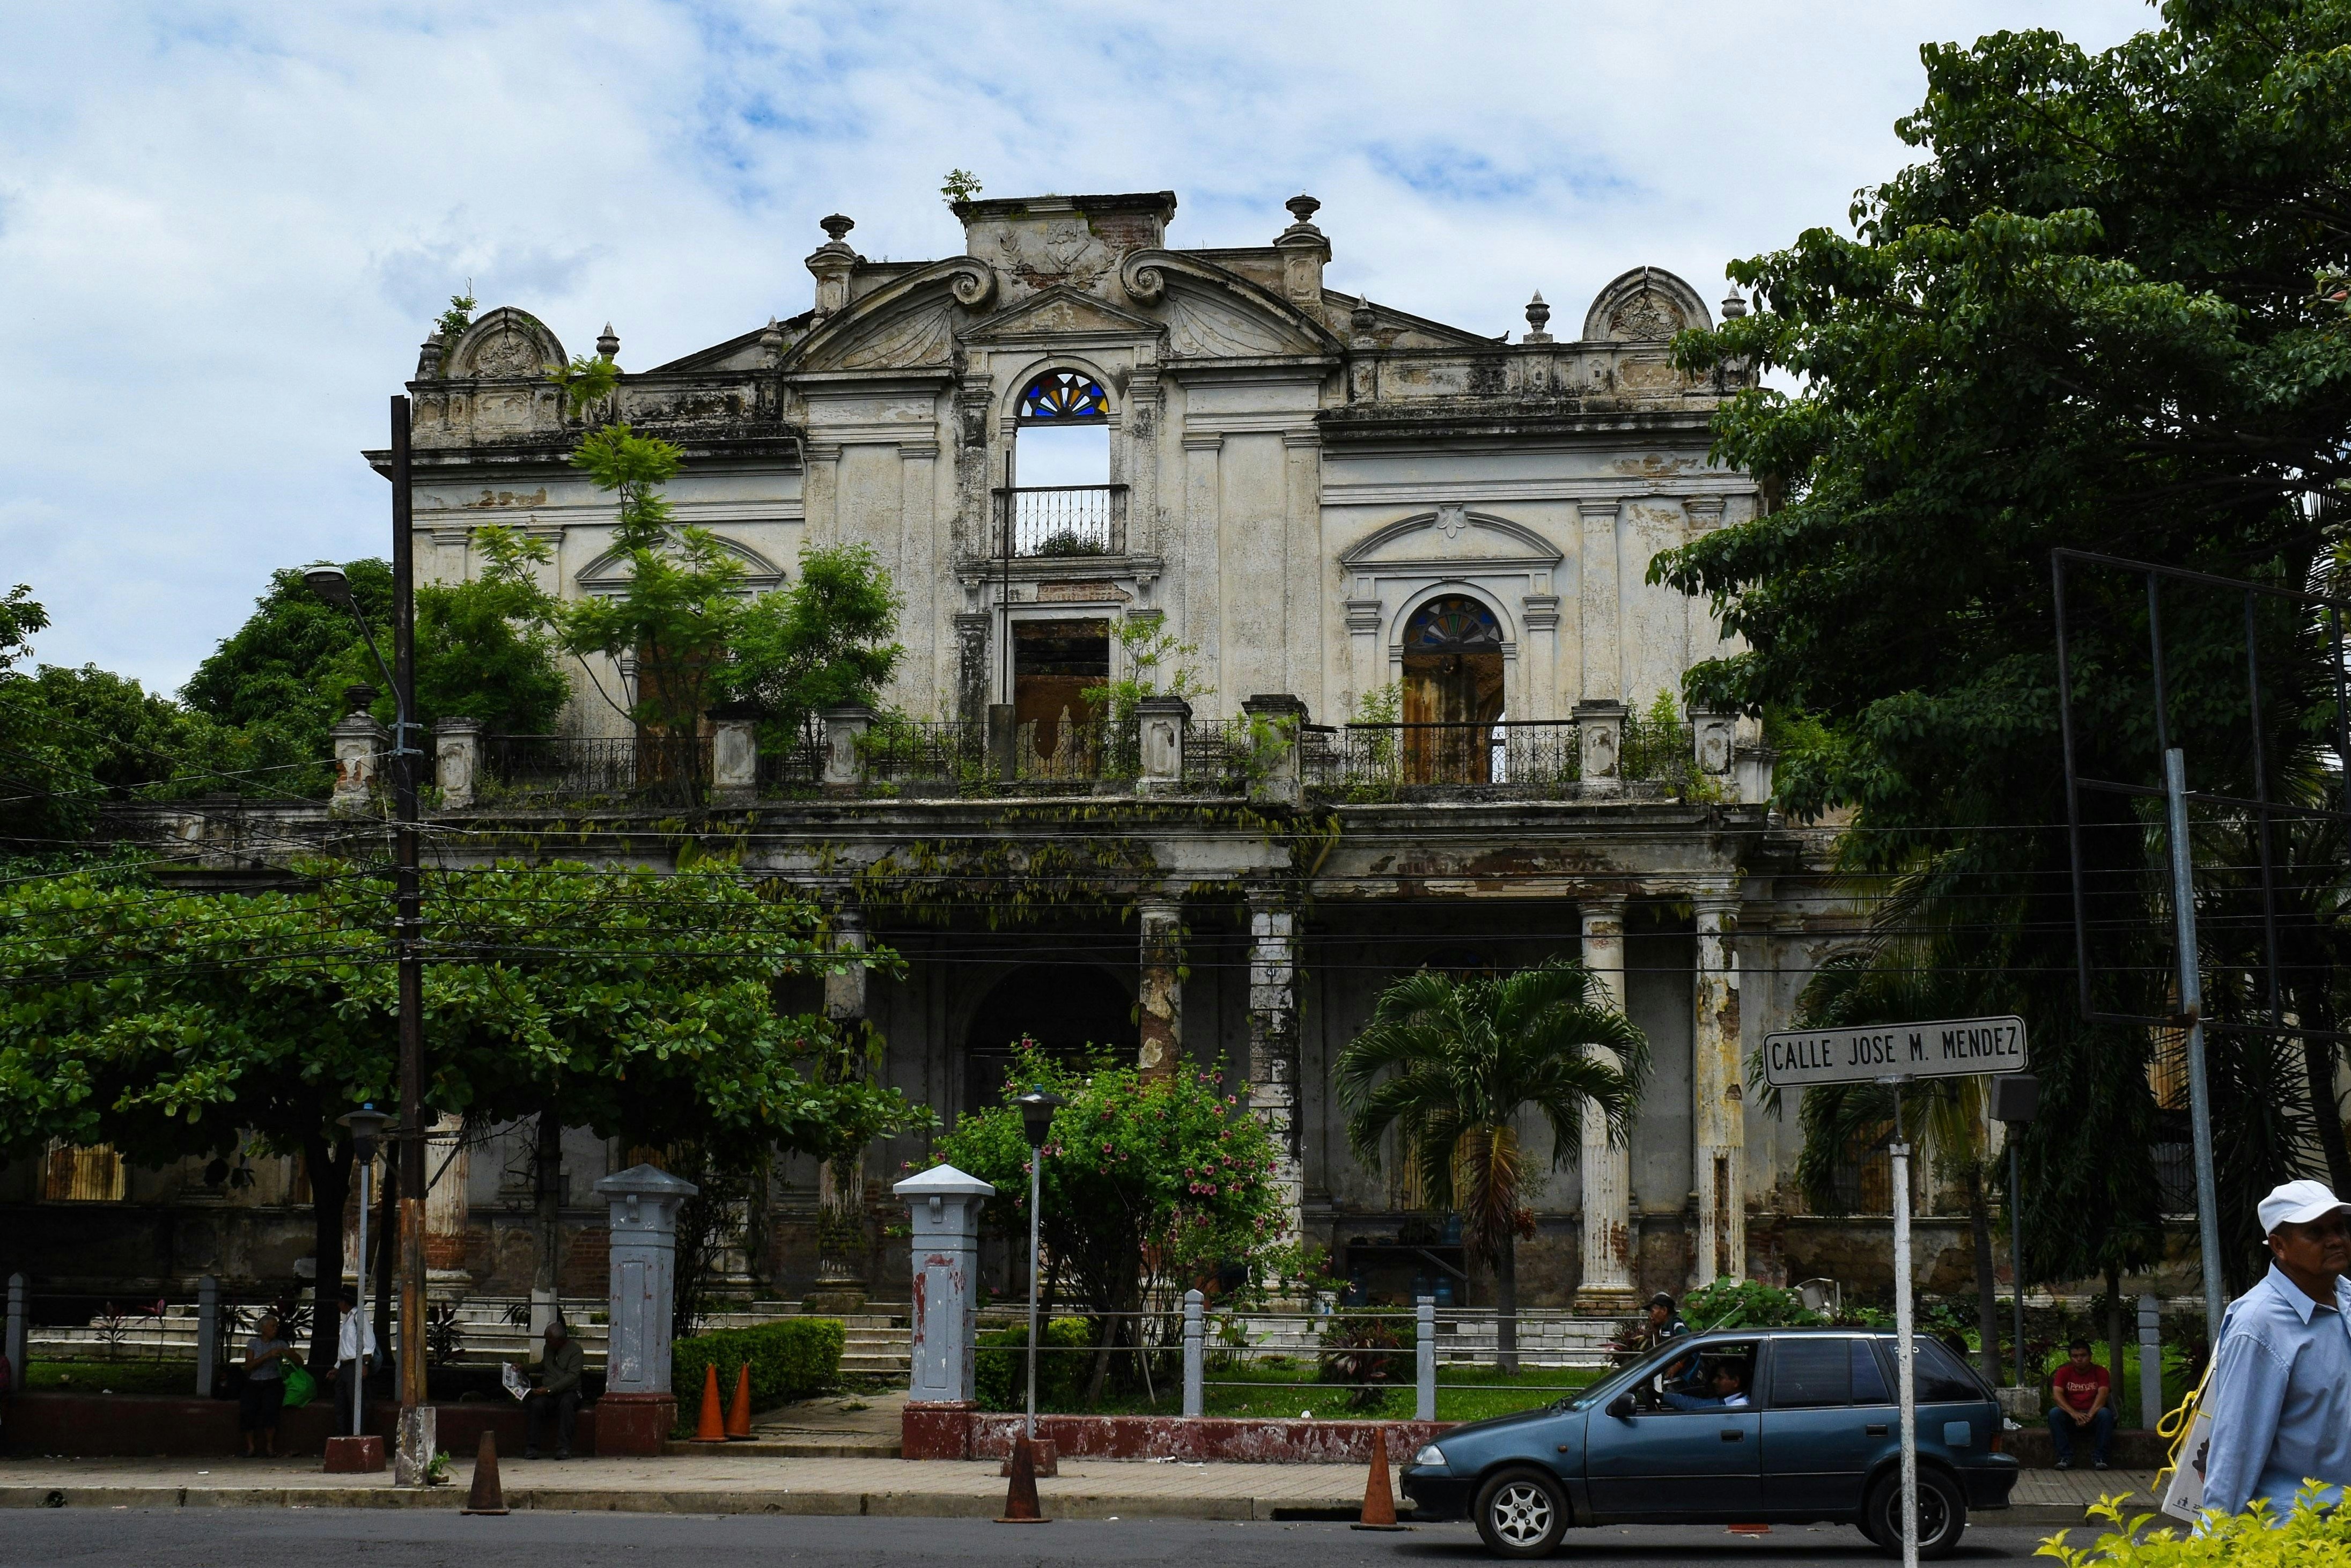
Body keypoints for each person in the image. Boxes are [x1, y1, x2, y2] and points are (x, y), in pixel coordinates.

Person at [2201, 1179, 2351, 1519]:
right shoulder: (2258, 1325)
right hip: (2298, 1533)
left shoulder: (2346, 1298)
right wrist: (2210, 1543)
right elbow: (2235, 1447)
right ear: (2279, 1246)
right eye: (2315, 1232)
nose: (2335, 1240)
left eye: (2339, 1228)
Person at [2046, 1339, 2114, 1471]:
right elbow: (2057, 1395)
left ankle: (2100, 1458)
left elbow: (2103, 1394)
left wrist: (2090, 1415)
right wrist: (2074, 1414)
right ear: (2071, 1358)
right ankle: (2065, 1458)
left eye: (2083, 1356)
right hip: (2071, 1415)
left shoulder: (2100, 1372)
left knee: (2105, 1415)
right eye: (2075, 1356)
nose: (2079, 1359)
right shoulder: (2063, 1372)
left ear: (2090, 1356)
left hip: (2093, 1414)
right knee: (2054, 1414)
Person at [525, 1320, 585, 1460]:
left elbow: (572, 1376)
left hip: (569, 1391)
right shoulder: (549, 1349)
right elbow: (544, 1365)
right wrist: (524, 1368)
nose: (547, 1343)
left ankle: (564, 1447)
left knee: (566, 1405)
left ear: (560, 1341)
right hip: (549, 1392)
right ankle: (532, 1447)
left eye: (549, 1341)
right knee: (536, 1405)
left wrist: (550, 1390)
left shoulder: (576, 1351)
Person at [240, 1312, 295, 1458]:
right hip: (255, 1382)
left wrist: (287, 1353)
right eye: (272, 1326)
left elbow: (299, 1361)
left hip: (273, 1381)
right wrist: (268, 1355)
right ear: (263, 1328)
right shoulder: (253, 1344)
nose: (275, 1329)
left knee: (271, 1411)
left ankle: (270, 1445)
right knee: (247, 1412)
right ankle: (251, 1447)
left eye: (276, 1326)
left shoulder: (281, 1344)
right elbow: (249, 1366)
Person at [332, 1285, 373, 1437]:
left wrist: (365, 1364)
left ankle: (357, 1436)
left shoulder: (359, 1317)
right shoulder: (348, 1319)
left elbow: (369, 1344)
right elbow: (345, 1347)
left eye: (340, 1301)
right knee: (341, 1405)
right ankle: (343, 1436)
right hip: (345, 1367)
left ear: (345, 1302)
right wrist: (337, 1367)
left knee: (356, 1404)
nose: (338, 1305)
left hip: (354, 1365)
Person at [1660, 1359, 1751, 1411]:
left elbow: (1697, 1406)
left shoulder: (1737, 1407)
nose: (1715, 1381)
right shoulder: (1726, 1401)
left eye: (1720, 1378)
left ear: (1735, 1381)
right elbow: (1697, 1404)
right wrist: (1662, 1396)